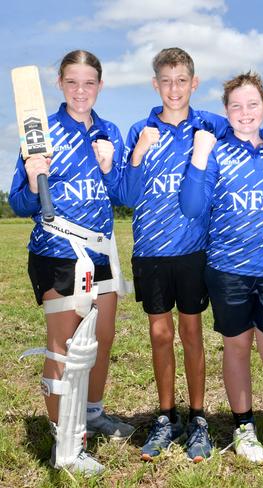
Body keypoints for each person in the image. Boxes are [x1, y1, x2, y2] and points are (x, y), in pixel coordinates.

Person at [121, 48, 263, 463]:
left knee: (192, 334)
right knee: (160, 336)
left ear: (194, 84)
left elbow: (249, 125)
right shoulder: (138, 129)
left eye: (182, 81)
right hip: (150, 250)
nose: (174, 88)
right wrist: (139, 151)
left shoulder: (210, 124)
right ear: (155, 84)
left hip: (195, 250)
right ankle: (165, 416)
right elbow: (124, 193)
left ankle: (198, 418)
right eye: (166, 80)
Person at [9, 50, 134, 475]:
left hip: (101, 251)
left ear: (100, 86)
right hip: (58, 252)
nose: (81, 91)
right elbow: (24, 202)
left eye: (89, 83)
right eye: (73, 83)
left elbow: (123, 197)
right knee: (66, 349)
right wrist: (32, 174)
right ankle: (66, 444)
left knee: (101, 340)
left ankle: (93, 414)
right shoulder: (41, 131)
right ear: (60, 84)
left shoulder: (108, 130)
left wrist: (110, 165)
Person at [179, 71, 263, 464]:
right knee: (237, 346)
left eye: (253, 105)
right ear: (226, 111)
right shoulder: (217, 150)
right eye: (236, 106)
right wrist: (199, 155)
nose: (245, 113)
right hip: (228, 268)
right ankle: (244, 425)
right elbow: (193, 207)